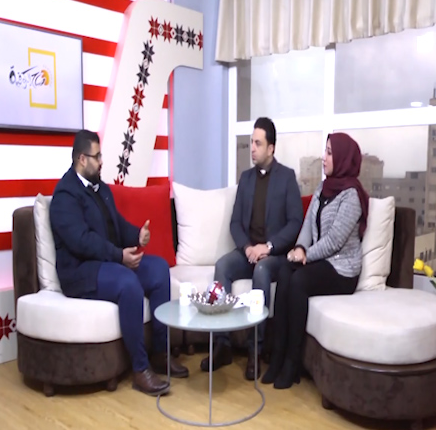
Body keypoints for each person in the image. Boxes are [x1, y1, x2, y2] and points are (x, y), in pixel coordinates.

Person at [49, 130, 189, 397]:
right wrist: (119, 256)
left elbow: (115, 224)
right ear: (81, 159)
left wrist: (137, 235)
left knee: (159, 270)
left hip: (106, 262)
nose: (102, 161)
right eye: (97, 156)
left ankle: (161, 353)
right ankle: (140, 369)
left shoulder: (100, 188)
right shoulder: (65, 196)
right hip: (80, 272)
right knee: (128, 283)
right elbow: (82, 241)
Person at [262, 132, 370, 389]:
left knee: (299, 281)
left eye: (330, 153)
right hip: (322, 261)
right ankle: (277, 355)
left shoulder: (351, 196)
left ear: (342, 159)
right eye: (325, 151)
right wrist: (300, 247)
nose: (324, 157)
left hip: (342, 270)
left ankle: (293, 362)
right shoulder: (324, 187)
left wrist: (306, 255)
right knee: (285, 271)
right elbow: (308, 224)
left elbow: (334, 241)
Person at [201, 117, 303, 380]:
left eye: (258, 144)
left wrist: (267, 247)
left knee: (262, 270)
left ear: (271, 148)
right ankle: (222, 344)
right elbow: (235, 223)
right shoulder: (245, 179)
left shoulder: (287, 177)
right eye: (251, 143)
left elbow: (295, 223)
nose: (253, 149)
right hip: (248, 253)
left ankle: (255, 351)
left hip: (273, 256)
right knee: (223, 266)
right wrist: (247, 247)